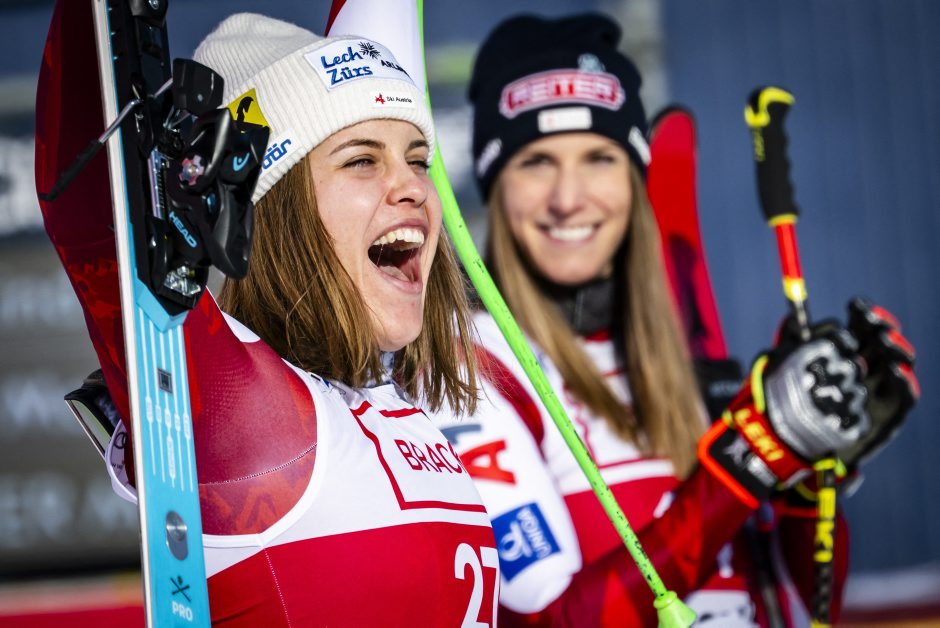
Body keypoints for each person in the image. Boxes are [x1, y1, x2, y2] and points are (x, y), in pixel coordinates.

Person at [432, 12, 919, 627]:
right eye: (536, 162)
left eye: (599, 158)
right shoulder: (470, 368)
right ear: (494, 186)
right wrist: (752, 458)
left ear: (636, 180)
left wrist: (806, 483)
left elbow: (795, 608)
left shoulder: (683, 354)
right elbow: (553, 621)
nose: (568, 198)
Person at [36, 5, 499, 626]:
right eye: (362, 160)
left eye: (417, 159)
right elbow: (92, 211)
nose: (414, 186)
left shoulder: (398, 416)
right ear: (275, 209)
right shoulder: (257, 416)